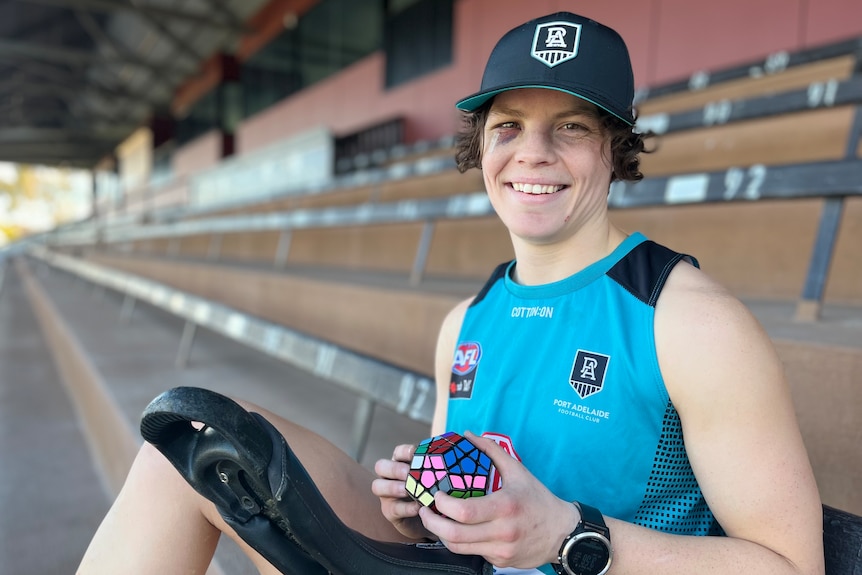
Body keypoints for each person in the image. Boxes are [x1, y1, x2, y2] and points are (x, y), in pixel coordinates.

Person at [78, 11, 825, 575]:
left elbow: (792, 567)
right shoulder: (467, 320)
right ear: (482, 149)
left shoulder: (689, 320)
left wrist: (573, 534)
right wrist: (419, 509)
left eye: (569, 126)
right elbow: (462, 518)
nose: (533, 152)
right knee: (188, 449)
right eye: (509, 126)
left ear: (615, 149)